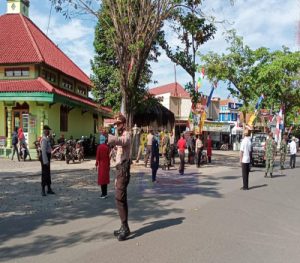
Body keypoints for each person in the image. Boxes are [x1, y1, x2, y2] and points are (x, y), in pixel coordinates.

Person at [108, 113, 131, 241]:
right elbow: (118, 147)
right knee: (121, 198)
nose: (117, 126)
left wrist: (110, 137)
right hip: (119, 171)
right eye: (116, 124)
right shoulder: (120, 135)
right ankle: (124, 226)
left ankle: (125, 227)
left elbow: (122, 142)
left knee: (119, 197)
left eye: (119, 124)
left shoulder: (126, 135)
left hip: (124, 170)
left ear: (124, 124)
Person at [40, 125, 55, 196]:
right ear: (45, 131)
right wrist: (46, 161)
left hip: (47, 157)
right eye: (48, 130)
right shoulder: (44, 139)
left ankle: (49, 188)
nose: (49, 132)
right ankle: (43, 189)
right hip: (44, 158)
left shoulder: (47, 138)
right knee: (44, 173)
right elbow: (43, 151)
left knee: (48, 173)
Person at [95, 133, 110, 198]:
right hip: (106, 165)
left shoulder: (99, 147)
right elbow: (109, 157)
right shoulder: (107, 147)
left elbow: (97, 157)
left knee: (101, 180)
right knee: (105, 180)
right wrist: (109, 165)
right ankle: (105, 193)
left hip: (101, 165)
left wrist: (96, 164)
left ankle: (103, 194)